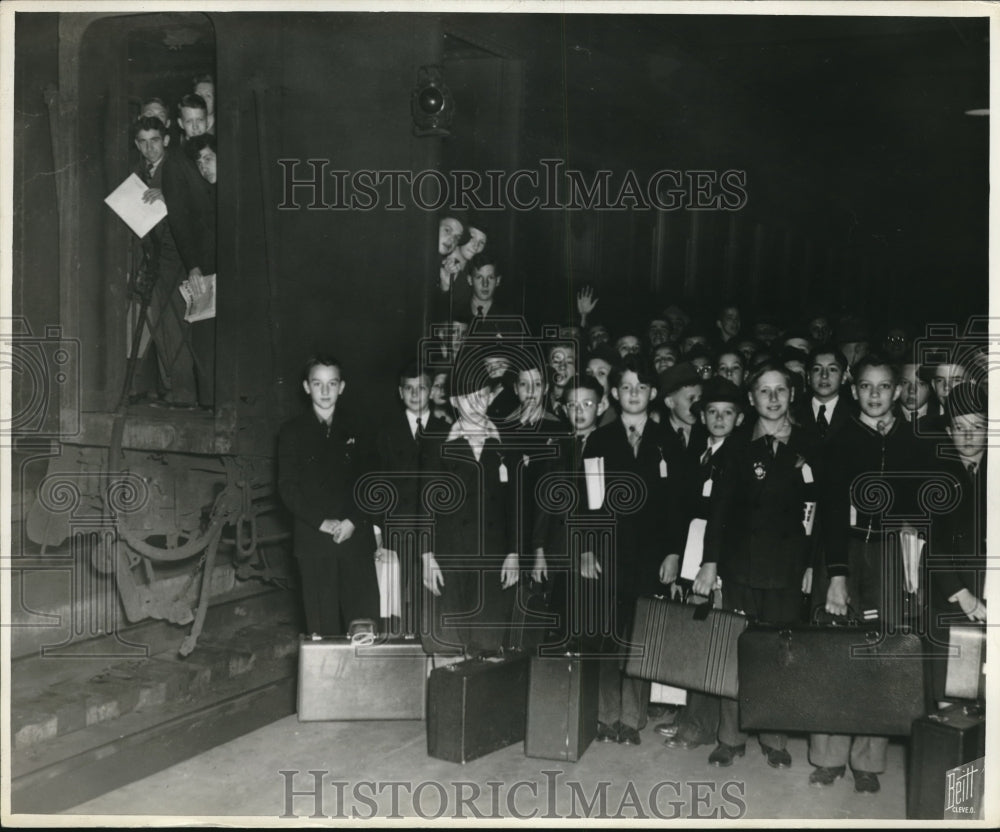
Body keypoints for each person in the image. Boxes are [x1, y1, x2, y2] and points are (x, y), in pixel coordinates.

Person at [809, 354, 931, 793]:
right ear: (852, 389)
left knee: (880, 657)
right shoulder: (839, 440)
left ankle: (867, 760)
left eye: (884, 387)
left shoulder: (913, 441)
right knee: (833, 654)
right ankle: (828, 758)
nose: (875, 395)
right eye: (866, 386)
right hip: (843, 554)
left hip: (890, 557)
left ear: (898, 391)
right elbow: (830, 515)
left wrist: (911, 552)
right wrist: (836, 576)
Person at [704, 361, 817, 770]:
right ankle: (729, 738)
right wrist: (709, 562)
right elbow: (718, 510)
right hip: (740, 566)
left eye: (780, 390)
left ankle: (774, 737)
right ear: (750, 399)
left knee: (778, 652)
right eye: (763, 391)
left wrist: (811, 565)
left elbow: (817, 509)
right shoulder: (735, 446)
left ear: (792, 395)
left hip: (786, 567)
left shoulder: (809, 444)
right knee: (734, 651)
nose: (772, 398)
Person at [582, 356, 686, 746]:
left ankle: (632, 718)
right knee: (608, 636)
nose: (633, 394)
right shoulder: (600, 440)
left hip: (651, 555)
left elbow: (678, 504)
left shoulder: (667, 441)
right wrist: (587, 548)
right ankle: (606, 716)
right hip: (609, 553)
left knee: (640, 638)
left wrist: (673, 552)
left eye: (641, 387)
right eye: (625, 387)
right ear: (613, 393)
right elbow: (589, 501)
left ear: (654, 394)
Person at [663, 377, 745, 756]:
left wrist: (715, 568)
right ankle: (693, 719)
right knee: (700, 641)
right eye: (711, 412)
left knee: (718, 645)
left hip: (720, 562)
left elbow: (726, 519)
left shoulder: (737, 457)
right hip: (695, 555)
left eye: (727, 413)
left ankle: (710, 728)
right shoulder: (701, 452)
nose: (719, 418)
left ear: (739, 419)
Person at [420, 347, 520, 655]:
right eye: (466, 397)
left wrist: (514, 553)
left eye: (481, 395)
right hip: (451, 555)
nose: (474, 403)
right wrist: (426, 556)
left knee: (488, 643)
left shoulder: (504, 444)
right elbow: (425, 504)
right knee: (450, 642)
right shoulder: (438, 444)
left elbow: (515, 506)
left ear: (490, 397)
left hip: (493, 557)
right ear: (452, 402)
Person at [277, 355, 380, 635]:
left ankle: (364, 679)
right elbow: (288, 488)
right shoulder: (291, 433)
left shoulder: (360, 429)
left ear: (342, 387)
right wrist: (321, 522)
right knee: (322, 629)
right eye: (317, 384)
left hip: (354, 539)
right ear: (306, 387)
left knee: (363, 625)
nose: (325, 392)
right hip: (314, 543)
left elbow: (372, 483)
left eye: (331, 384)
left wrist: (352, 521)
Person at [373, 362, 449, 634]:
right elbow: (377, 483)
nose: (415, 395)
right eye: (409, 389)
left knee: (431, 598)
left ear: (431, 391)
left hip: (436, 532)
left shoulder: (446, 432)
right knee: (397, 600)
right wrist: (378, 533)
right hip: (398, 530)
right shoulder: (385, 431)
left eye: (422, 388)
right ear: (400, 392)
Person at [130, 116, 200, 407]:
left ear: (166, 140)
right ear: (137, 144)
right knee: (159, 325)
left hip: (175, 258)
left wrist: (169, 196)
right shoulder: (139, 172)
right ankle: (169, 389)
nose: (150, 148)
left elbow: (198, 205)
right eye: (143, 142)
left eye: (155, 141)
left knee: (175, 325)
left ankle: (184, 393)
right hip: (154, 258)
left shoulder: (178, 167)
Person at [925, 381, 987, 705]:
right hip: (953, 598)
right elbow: (931, 543)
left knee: (985, 695)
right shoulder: (938, 475)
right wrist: (962, 595)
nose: (967, 435)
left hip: (991, 595)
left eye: (976, 426)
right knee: (953, 695)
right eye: (959, 428)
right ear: (949, 432)